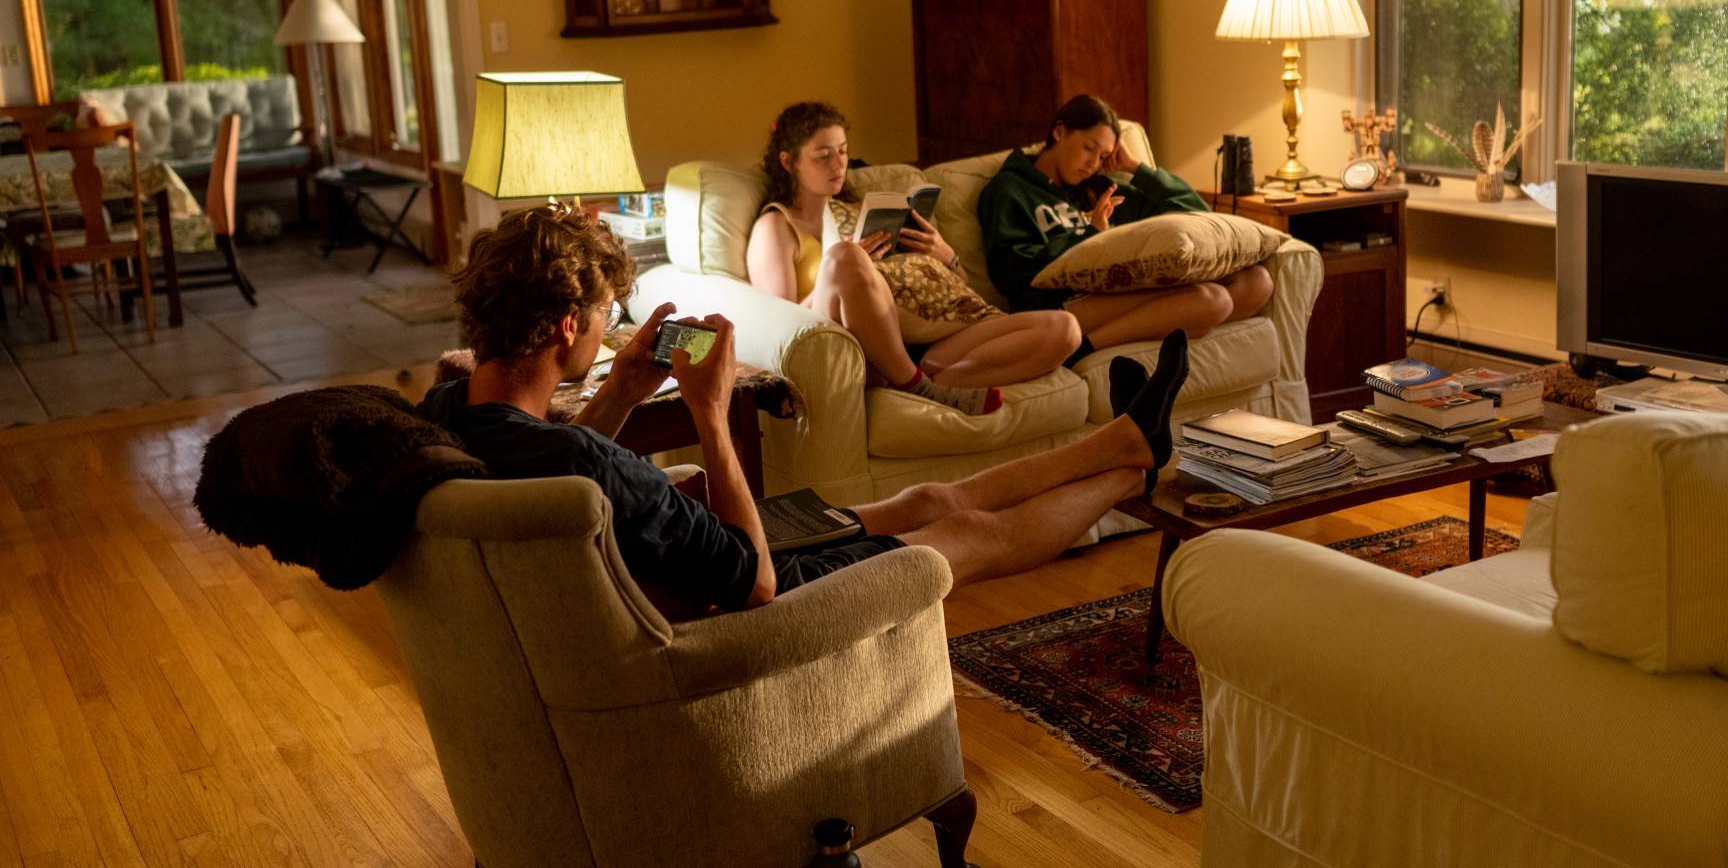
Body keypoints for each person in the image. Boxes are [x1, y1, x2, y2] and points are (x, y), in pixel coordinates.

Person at [420, 206, 1191, 616]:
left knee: (923, 497)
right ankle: (1133, 475)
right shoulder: (577, 462)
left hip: (685, 562)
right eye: (601, 316)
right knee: (966, 533)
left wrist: (623, 387)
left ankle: (1123, 438)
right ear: (564, 329)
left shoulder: (453, 409)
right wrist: (712, 413)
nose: (604, 326)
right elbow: (753, 584)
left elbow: (558, 467)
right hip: (754, 599)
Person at [746, 102, 1081, 416]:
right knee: (845, 255)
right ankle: (913, 381)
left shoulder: (858, 210)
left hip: (934, 340)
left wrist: (944, 254)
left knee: (1065, 328)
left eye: (843, 151)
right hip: (876, 343)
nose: (838, 165)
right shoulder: (776, 225)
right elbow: (780, 325)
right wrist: (849, 269)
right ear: (789, 162)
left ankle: (937, 385)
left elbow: (958, 284)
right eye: (822, 156)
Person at [978, 94, 1274, 361]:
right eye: (1088, 148)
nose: (1092, 163)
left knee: (1257, 282)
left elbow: (1196, 213)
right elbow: (1011, 272)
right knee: (1212, 300)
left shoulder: (1098, 189)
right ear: (1059, 132)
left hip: (1119, 289)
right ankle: (1084, 350)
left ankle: (1171, 322)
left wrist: (1136, 169)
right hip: (1059, 303)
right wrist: (1089, 234)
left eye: (1103, 157)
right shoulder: (1009, 189)